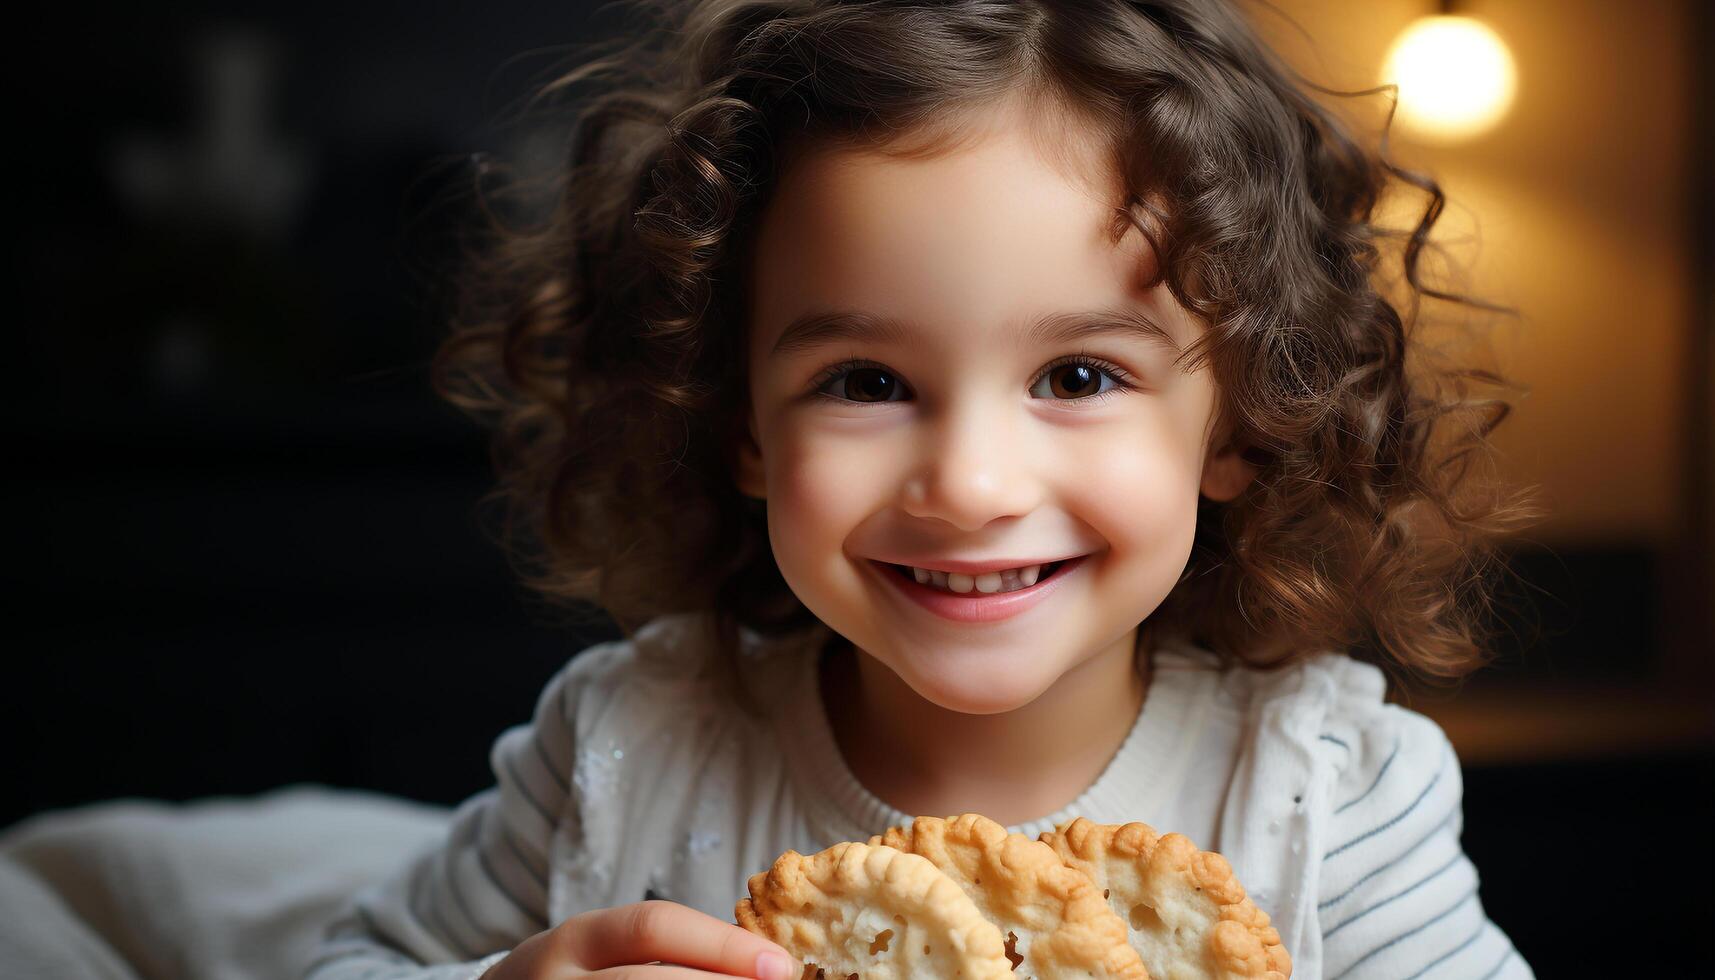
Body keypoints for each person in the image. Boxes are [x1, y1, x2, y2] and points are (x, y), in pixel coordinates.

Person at [303, 1, 1544, 977]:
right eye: (862, 380)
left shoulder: (1323, 801)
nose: (969, 483)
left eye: (1074, 372)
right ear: (737, 421)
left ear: (1235, 417)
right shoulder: (627, 748)